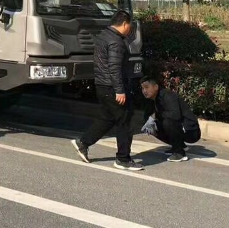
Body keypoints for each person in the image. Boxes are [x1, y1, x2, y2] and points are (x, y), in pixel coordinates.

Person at [72, 10, 143, 171]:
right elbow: (114, 67)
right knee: (125, 121)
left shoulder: (103, 36)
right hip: (112, 88)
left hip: (102, 86)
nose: (130, 29)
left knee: (108, 118)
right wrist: (120, 90)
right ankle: (123, 159)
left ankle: (83, 142)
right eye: (130, 25)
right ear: (124, 24)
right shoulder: (116, 42)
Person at [140, 76, 201, 162]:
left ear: (156, 87)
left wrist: (156, 115)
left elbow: (175, 115)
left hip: (190, 131)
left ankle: (179, 153)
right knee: (151, 126)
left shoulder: (167, 95)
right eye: (142, 88)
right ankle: (179, 145)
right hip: (180, 127)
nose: (144, 91)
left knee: (168, 122)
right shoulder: (153, 99)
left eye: (147, 87)